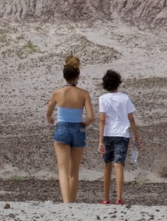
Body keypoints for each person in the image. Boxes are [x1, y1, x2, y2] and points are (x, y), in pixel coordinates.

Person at [46, 54, 95, 203]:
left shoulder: (58, 93)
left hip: (62, 128)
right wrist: (84, 125)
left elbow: (48, 113)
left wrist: (50, 119)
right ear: (77, 75)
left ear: (64, 76)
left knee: (62, 169)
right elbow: (91, 117)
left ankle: (66, 203)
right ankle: (72, 203)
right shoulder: (83, 94)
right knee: (74, 171)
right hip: (78, 130)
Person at [97, 69, 142, 205]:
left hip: (108, 134)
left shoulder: (103, 98)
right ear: (118, 83)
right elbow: (131, 118)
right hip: (122, 135)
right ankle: (119, 198)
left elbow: (102, 120)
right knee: (119, 165)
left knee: (107, 165)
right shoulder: (125, 98)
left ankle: (105, 198)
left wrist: (100, 141)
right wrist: (136, 137)